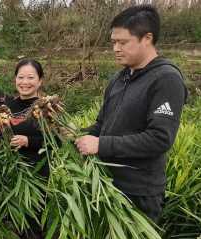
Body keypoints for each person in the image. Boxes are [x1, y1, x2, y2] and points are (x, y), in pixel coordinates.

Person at [75, 5, 187, 223]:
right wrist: (75, 134)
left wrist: (101, 145)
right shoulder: (119, 78)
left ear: (147, 38)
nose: (116, 48)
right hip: (107, 183)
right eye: (113, 42)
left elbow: (160, 138)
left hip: (139, 192)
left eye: (123, 42)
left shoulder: (166, 79)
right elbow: (101, 125)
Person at [2, 59, 48, 239]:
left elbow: (56, 141)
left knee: (33, 220)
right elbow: (0, 133)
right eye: (21, 77)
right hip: (14, 170)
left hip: (37, 172)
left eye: (31, 77)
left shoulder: (47, 107)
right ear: (15, 79)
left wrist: (28, 141)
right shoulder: (8, 106)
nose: (25, 82)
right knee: (18, 217)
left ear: (40, 81)